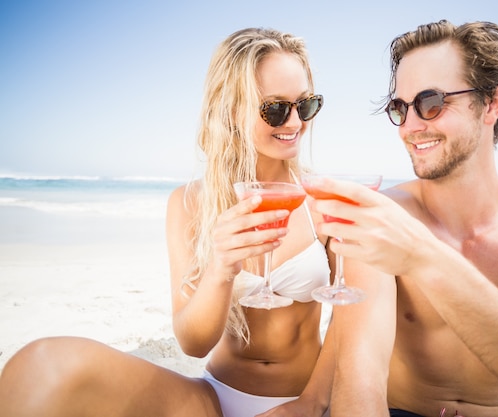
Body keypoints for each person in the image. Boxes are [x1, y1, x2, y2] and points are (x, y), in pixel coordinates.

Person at [0, 27, 333, 417]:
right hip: (213, 399)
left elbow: (351, 329)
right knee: (39, 365)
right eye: (276, 108)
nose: (294, 122)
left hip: (305, 401)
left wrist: (311, 405)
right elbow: (193, 344)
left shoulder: (323, 202)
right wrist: (221, 269)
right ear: (230, 108)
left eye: (305, 105)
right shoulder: (189, 204)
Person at [305, 20, 498, 417]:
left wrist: (424, 257)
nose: (411, 127)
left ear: (492, 103)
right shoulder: (385, 217)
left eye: (431, 103)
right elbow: (360, 380)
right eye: (399, 108)